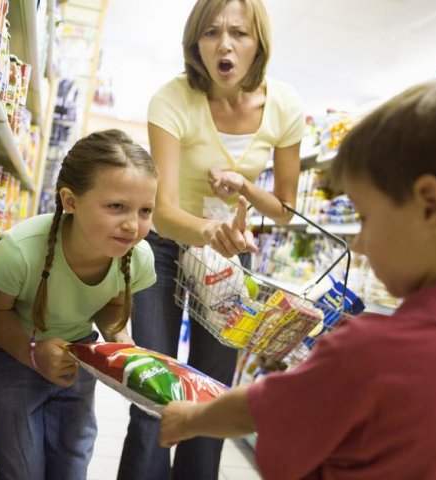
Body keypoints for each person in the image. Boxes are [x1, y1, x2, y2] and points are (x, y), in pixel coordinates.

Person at [157, 76, 436, 479]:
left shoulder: (369, 351)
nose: (358, 245)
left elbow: (258, 410)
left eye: (365, 218)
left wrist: (190, 419)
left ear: (431, 208)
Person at [117, 0, 305, 478]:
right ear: (195, 42)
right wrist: (208, 232)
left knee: (213, 393)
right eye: (211, 32)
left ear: (258, 41)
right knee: (153, 391)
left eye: (239, 33)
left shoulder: (284, 107)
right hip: (165, 247)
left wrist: (244, 188)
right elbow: (164, 208)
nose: (224, 45)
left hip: (228, 259)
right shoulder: (172, 98)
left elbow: (284, 210)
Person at [0, 129, 158, 480]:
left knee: (72, 463)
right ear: (70, 201)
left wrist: (118, 336)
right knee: (22, 468)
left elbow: (111, 303)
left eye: (145, 210)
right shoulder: (21, 250)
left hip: (76, 355)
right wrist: (31, 352)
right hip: (9, 356)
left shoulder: (136, 257)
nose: (132, 224)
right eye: (116, 206)